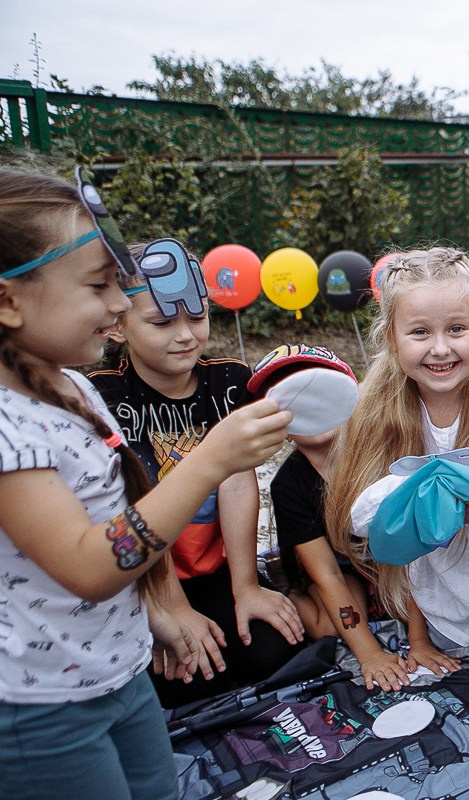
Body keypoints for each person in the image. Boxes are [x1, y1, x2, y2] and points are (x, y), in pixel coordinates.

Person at [0, 166, 290, 799]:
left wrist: (158, 610)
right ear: (8, 301)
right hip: (43, 703)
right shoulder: (6, 427)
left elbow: (124, 501)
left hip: (119, 666)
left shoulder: (69, 386)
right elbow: (92, 565)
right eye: (100, 285)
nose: (115, 305)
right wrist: (209, 462)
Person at [88, 244, 304, 707]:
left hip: (217, 569)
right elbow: (132, 506)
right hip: (145, 579)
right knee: (176, 674)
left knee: (274, 648)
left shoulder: (229, 381)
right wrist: (172, 607)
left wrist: (246, 587)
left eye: (198, 316)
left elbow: (237, 481)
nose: (186, 335)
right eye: (163, 322)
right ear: (119, 325)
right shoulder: (103, 394)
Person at [324, 247, 469, 673]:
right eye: (419, 333)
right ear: (392, 338)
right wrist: (418, 638)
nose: (440, 349)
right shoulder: (376, 402)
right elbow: (371, 523)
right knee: (450, 638)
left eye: (456, 329)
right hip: (441, 556)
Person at [252, 343, 410, 692]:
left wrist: (421, 640)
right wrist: (369, 654)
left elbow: (414, 549)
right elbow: (326, 575)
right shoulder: (289, 484)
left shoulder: (380, 453)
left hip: (385, 559)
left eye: (318, 391)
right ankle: (286, 592)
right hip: (335, 568)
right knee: (327, 628)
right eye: (292, 401)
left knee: (418, 598)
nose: (309, 407)